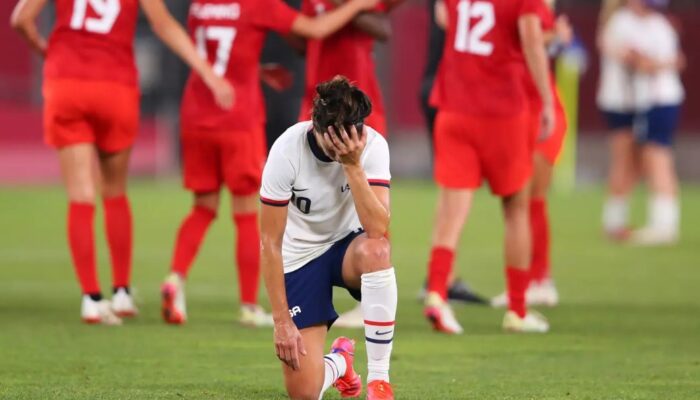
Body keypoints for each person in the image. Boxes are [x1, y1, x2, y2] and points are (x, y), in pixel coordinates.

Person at [160, 0, 386, 326]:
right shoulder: (257, 4)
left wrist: (252, 68)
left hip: (196, 113)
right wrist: (356, 6)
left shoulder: (200, 5)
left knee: (202, 208)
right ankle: (250, 305)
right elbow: (316, 29)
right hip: (238, 115)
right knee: (246, 214)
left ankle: (175, 278)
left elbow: (221, 51)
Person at [10, 0, 232, 325]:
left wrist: (45, 49)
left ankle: (91, 298)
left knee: (81, 195)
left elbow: (21, 19)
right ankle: (122, 292)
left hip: (66, 81)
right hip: (115, 85)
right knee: (114, 190)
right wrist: (208, 73)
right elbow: (164, 24)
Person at [260, 77, 397, 399]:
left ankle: (379, 380)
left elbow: (378, 229)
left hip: (346, 247)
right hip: (299, 257)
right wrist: (281, 322)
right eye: (333, 140)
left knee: (377, 252)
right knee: (304, 394)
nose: (342, 146)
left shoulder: (372, 145)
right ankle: (340, 363)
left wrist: (352, 167)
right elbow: (269, 242)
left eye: (350, 136)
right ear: (315, 126)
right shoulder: (286, 150)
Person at [423, 0, 554, 334]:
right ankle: (518, 310)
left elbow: (442, 17)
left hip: (454, 106)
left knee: (451, 211)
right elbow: (533, 41)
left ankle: (437, 294)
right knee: (516, 209)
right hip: (502, 110)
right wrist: (548, 102)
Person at [491, 0, 573, 308]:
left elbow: (541, 36)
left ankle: (540, 279)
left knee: (530, 198)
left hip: (542, 112)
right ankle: (524, 283)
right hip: (515, 113)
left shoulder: (530, 11)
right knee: (518, 202)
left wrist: (554, 34)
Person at [597, 0, 684, 245]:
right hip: (635, 101)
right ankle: (622, 220)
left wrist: (658, 63)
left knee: (656, 158)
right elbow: (641, 60)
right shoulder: (623, 22)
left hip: (655, 101)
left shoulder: (657, 24)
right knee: (636, 159)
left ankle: (663, 224)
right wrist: (666, 62)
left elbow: (650, 62)